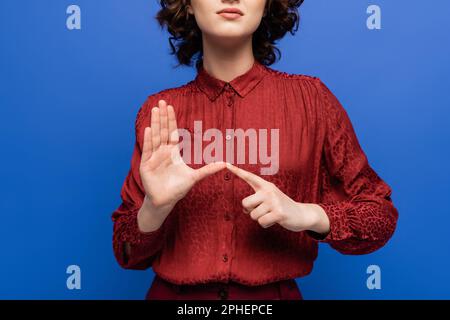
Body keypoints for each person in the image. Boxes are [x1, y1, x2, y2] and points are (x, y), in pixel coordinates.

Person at [111, 0, 399, 300]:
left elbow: (380, 217)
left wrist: (306, 214)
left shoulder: (312, 101)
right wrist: (154, 209)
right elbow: (126, 251)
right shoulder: (159, 113)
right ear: (189, 5)